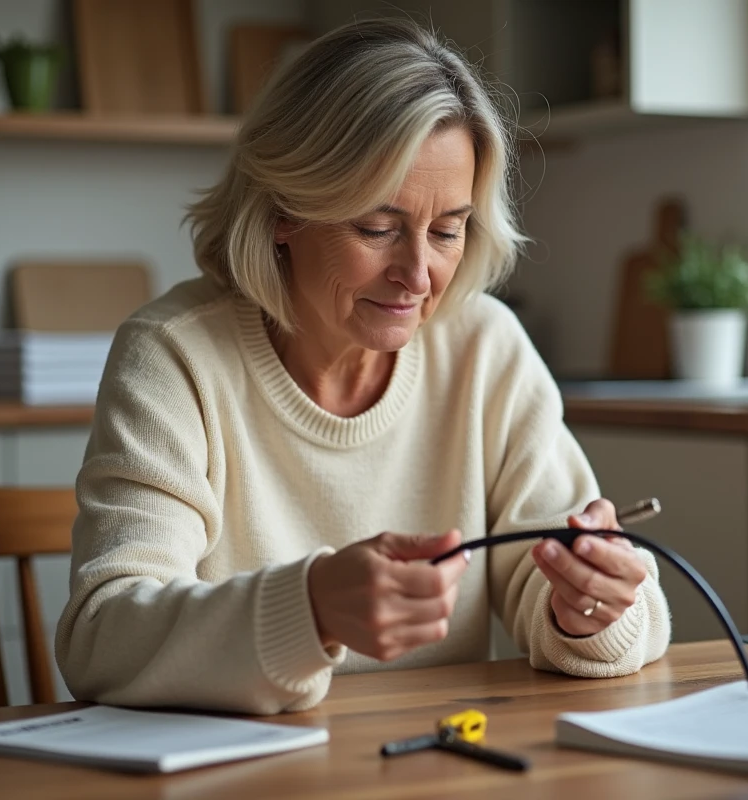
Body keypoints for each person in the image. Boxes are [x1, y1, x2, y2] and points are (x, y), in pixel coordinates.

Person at [55, 17, 671, 716]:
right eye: (377, 228)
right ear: (285, 208)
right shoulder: (175, 357)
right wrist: (310, 609)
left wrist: (588, 607)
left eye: (447, 231)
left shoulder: (484, 350)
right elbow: (103, 640)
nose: (418, 274)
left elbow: (592, 602)